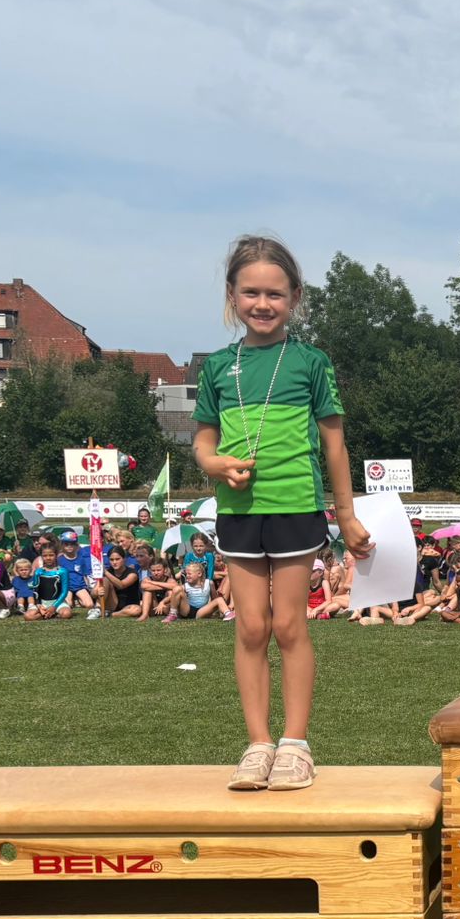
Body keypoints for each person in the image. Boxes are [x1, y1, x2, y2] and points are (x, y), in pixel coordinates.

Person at [192, 234, 369, 790]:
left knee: (290, 624)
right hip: (238, 511)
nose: (262, 304)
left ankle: (295, 745)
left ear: (295, 297)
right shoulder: (218, 367)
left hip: (295, 506)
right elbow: (203, 440)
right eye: (251, 293)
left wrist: (346, 515)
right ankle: (258, 744)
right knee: (250, 626)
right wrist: (214, 463)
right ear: (232, 295)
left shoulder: (311, 362)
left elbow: (335, 445)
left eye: (275, 293)